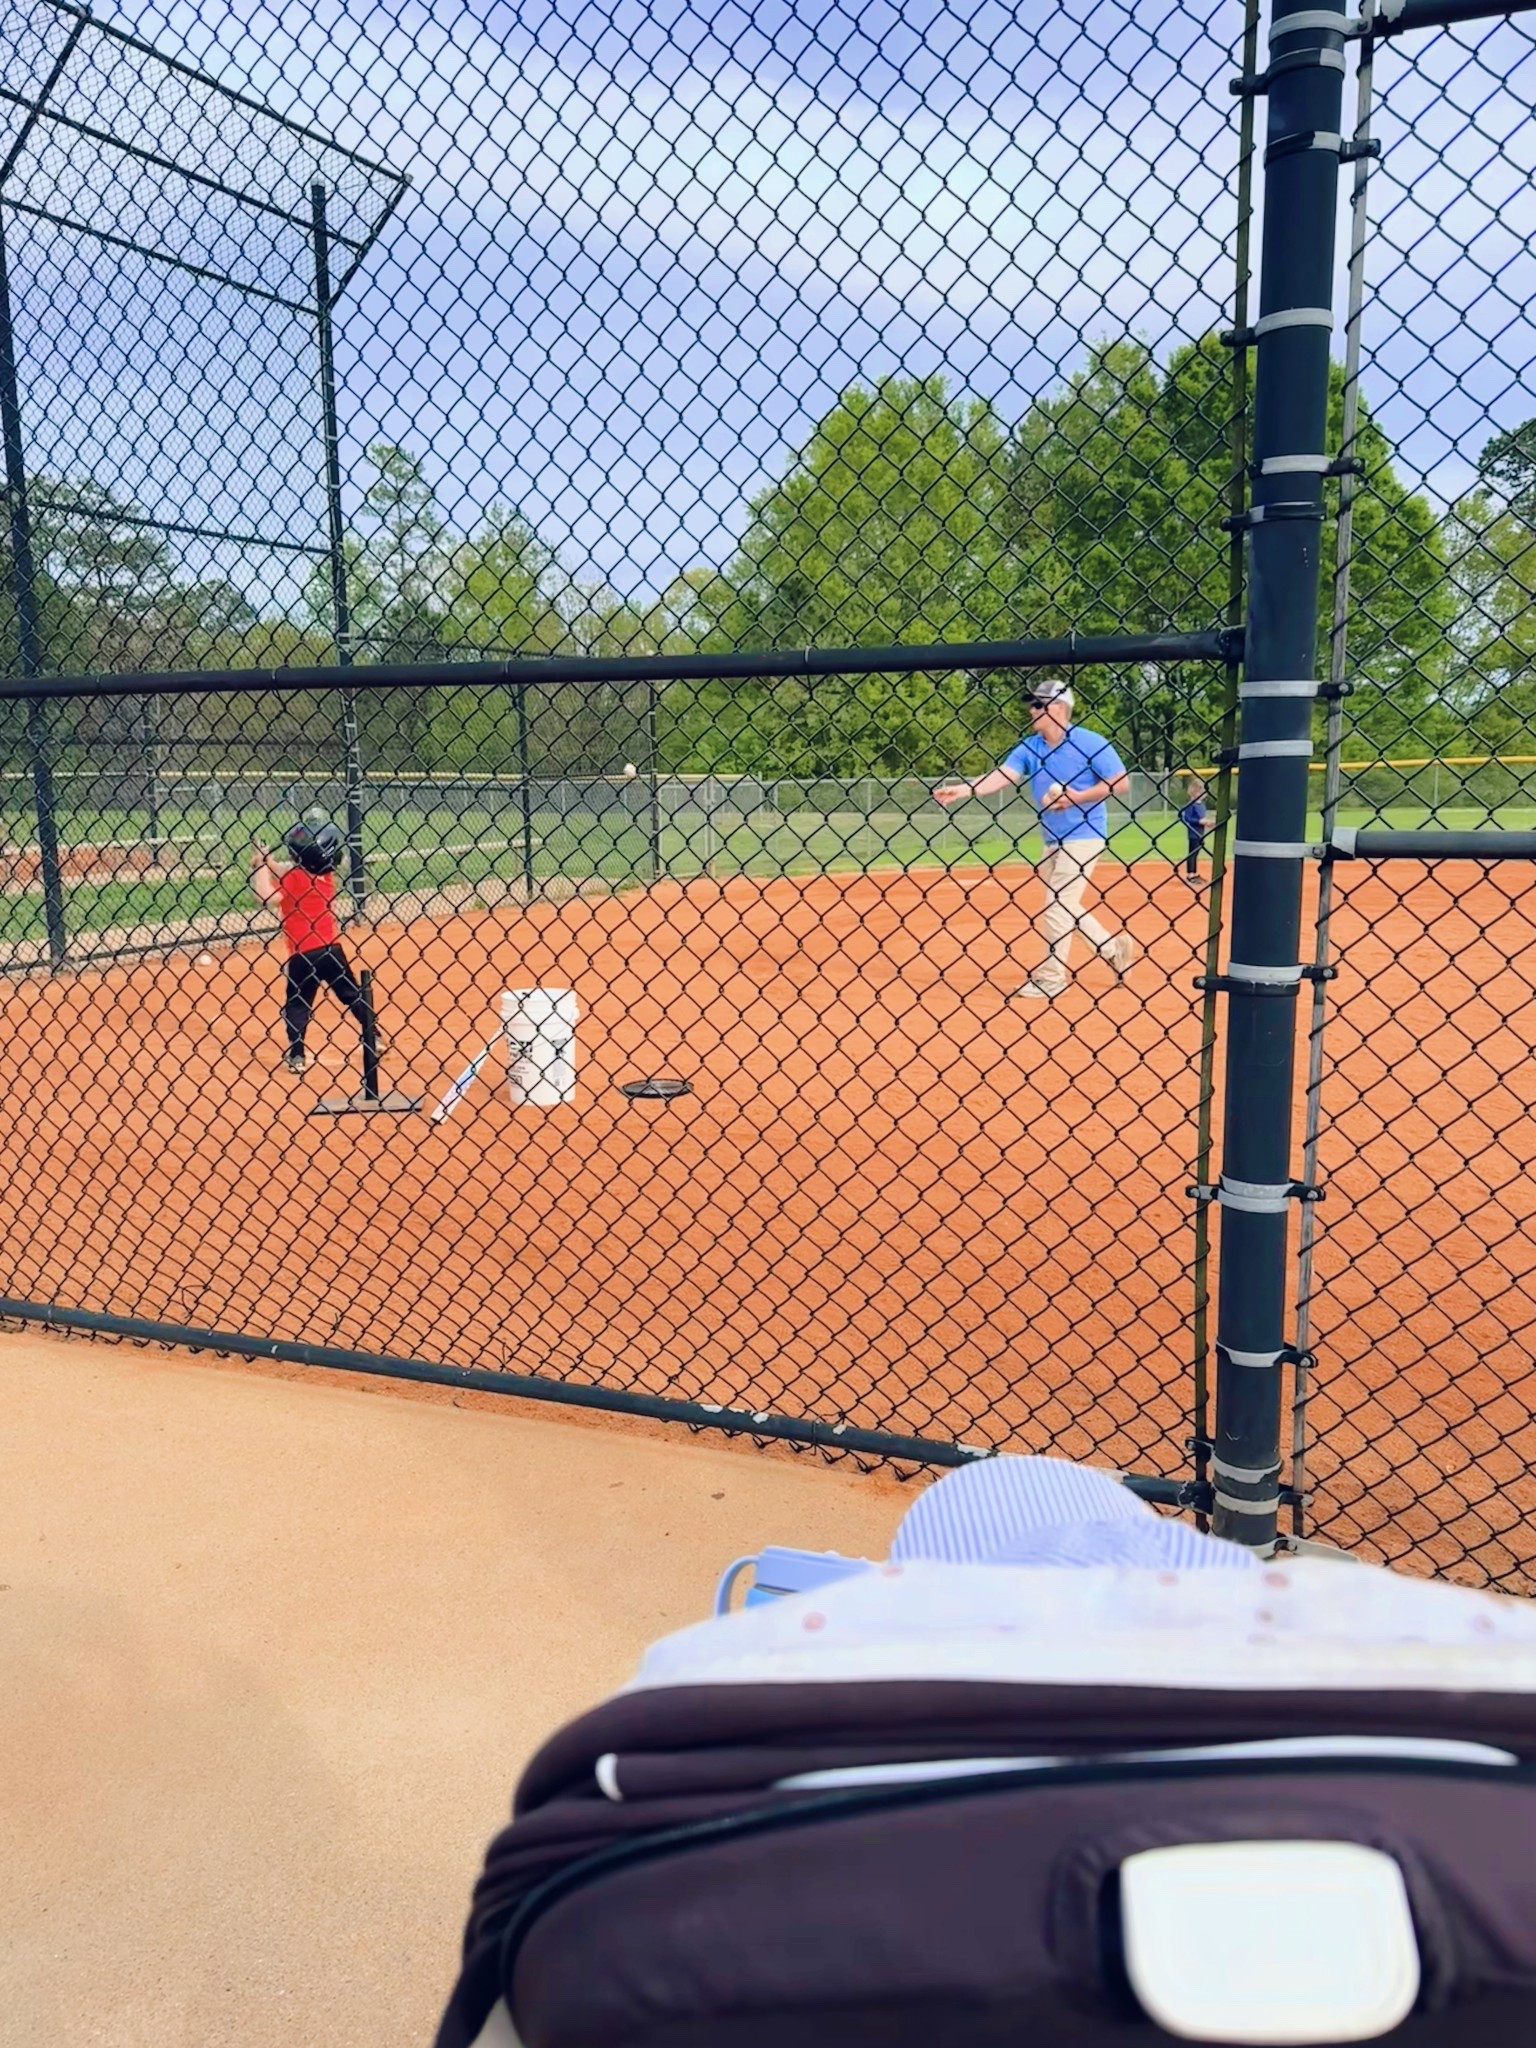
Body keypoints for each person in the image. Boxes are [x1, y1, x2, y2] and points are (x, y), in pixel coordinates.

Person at [935, 676, 1137, 999]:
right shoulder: (1031, 747)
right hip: (1052, 839)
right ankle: (1113, 949)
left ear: (1059, 709)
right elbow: (1002, 776)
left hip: (1085, 836)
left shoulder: (1090, 742)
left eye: (1039, 704)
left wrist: (1075, 798)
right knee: (1064, 905)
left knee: (1057, 906)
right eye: (1032, 704)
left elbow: (1121, 782)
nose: (1032, 710)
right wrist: (963, 789)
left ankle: (1051, 978)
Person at [250, 819, 373, 1075]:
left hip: (302, 956)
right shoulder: (326, 876)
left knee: (298, 1004)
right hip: (331, 950)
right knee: (350, 993)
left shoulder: (294, 878)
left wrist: (260, 867)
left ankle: (297, 1055)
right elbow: (289, 872)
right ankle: (375, 1035)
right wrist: (270, 863)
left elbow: (266, 897)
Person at [1179, 776, 1210, 884]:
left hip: (1200, 833)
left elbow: (1202, 818)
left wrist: (1208, 823)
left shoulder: (1201, 805)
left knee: (1196, 853)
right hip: (1193, 833)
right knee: (1192, 853)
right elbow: (1188, 818)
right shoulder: (1191, 805)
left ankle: (1194, 872)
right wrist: (1199, 822)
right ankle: (1190, 874)